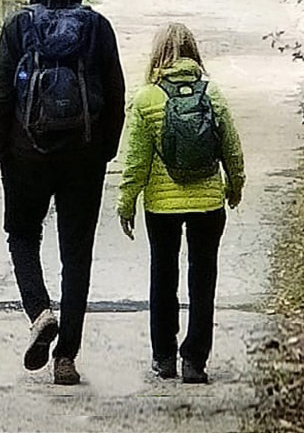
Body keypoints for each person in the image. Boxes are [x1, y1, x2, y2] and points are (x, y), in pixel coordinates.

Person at [0, 0, 126, 385]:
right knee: (76, 254)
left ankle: (40, 311)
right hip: (83, 156)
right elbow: (117, 97)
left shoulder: (19, 25)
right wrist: (105, 150)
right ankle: (66, 357)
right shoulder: (96, 27)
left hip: (26, 153)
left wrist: (3, 149)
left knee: (23, 236)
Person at [117, 23, 245, 383]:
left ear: (159, 54)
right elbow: (232, 149)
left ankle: (164, 357)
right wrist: (234, 187)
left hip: (162, 206)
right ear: (193, 52)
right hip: (208, 203)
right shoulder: (213, 95)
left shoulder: (146, 99)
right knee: (203, 279)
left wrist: (125, 203)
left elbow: (137, 162)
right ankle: (195, 361)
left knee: (163, 275)